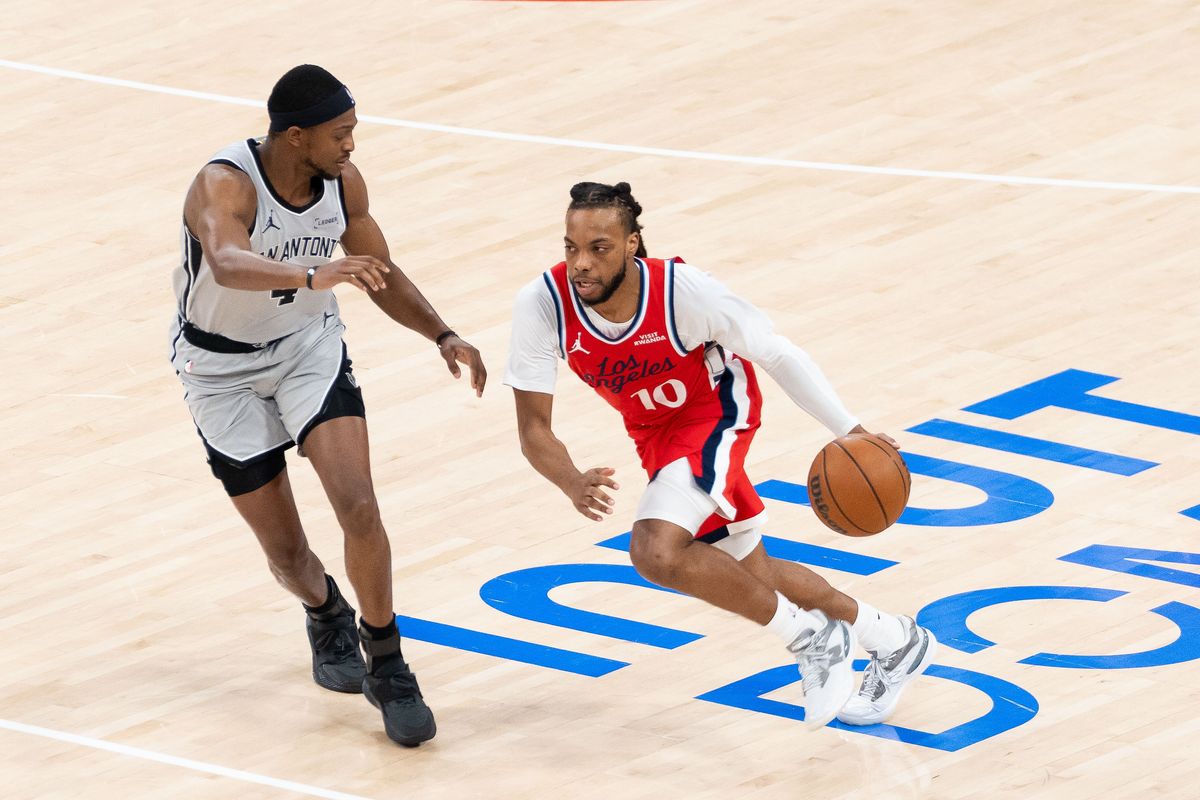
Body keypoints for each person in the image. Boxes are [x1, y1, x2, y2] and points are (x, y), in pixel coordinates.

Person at [504, 181, 935, 729]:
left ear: (633, 243)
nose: (581, 263)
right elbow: (533, 428)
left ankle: (812, 640)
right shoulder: (543, 303)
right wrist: (568, 480)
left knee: (654, 551)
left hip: (717, 414)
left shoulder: (685, 292)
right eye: (570, 247)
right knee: (746, 570)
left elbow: (777, 353)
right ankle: (894, 639)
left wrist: (851, 430)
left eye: (599, 248)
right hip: (654, 436)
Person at [168, 64, 486, 747]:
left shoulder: (344, 186)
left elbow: (379, 273)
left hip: (307, 349)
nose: (350, 147)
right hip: (219, 369)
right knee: (286, 554)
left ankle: (388, 660)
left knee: (359, 504)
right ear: (294, 135)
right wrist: (315, 273)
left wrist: (442, 332)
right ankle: (324, 610)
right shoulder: (224, 183)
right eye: (339, 134)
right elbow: (225, 260)